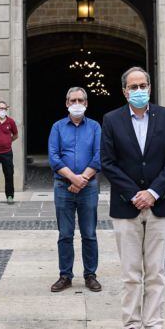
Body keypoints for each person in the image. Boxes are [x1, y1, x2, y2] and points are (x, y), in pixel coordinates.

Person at [101, 67, 165, 329]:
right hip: (127, 205)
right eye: (133, 86)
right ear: (124, 91)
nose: (139, 90)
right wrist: (134, 193)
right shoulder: (111, 120)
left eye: (143, 85)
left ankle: (155, 325)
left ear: (150, 87)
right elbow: (108, 162)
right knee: (131, 271)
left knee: (156, 270)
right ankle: (131, 326)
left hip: (160, 204)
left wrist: (153, 192)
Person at [48, 87, 103, 293]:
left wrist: (83, 179)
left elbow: (99, 154)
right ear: (66, 103)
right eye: (73, 100)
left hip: (89, 187)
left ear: (86, 103)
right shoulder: (58, 127)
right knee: (65, 234)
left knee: (89, 233)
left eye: (81, 100)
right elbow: (53, 156)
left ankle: (90, 275)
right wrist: (73, 178)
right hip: (63, 186)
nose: (77, 103)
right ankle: (65, 275)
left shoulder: (96, 127)